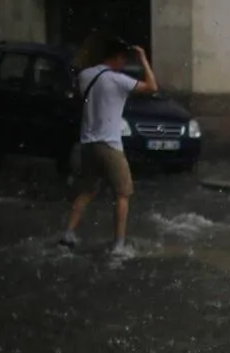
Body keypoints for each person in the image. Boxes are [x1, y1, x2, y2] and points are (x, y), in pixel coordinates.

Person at [60, 36, 159, 256]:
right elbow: (152, 86)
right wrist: (143, 60)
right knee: (123, 193)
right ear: (117, 57)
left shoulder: (85, 76)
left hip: (88, 144)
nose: (124, 64)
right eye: (123, 59)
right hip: (110, 146)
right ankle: (119, 243)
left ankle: (68, 233)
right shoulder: (117, 80)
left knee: (87, 189)